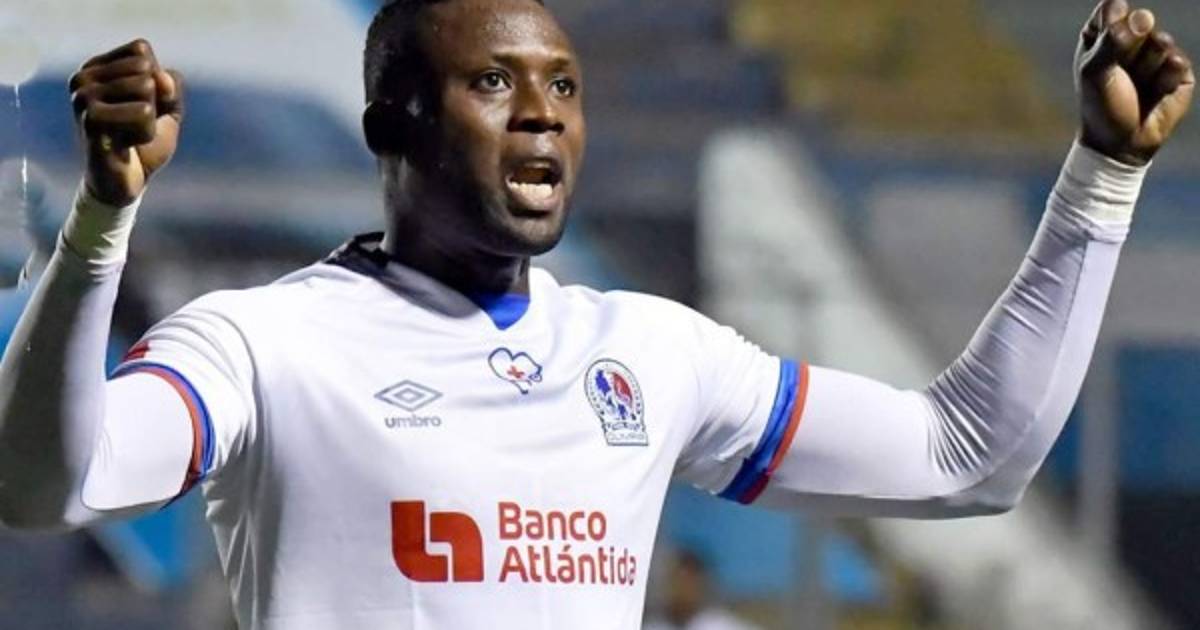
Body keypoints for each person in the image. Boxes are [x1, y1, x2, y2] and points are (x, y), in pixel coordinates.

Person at [0, 0, 1191, 628]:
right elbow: (46, 485)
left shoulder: (649, 352)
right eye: (492, 81)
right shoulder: (263, 342)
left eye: (563, 85)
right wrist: (103, 219)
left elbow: (965, 457)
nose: (542, 113)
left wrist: (1103, 175)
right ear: (390, 125)